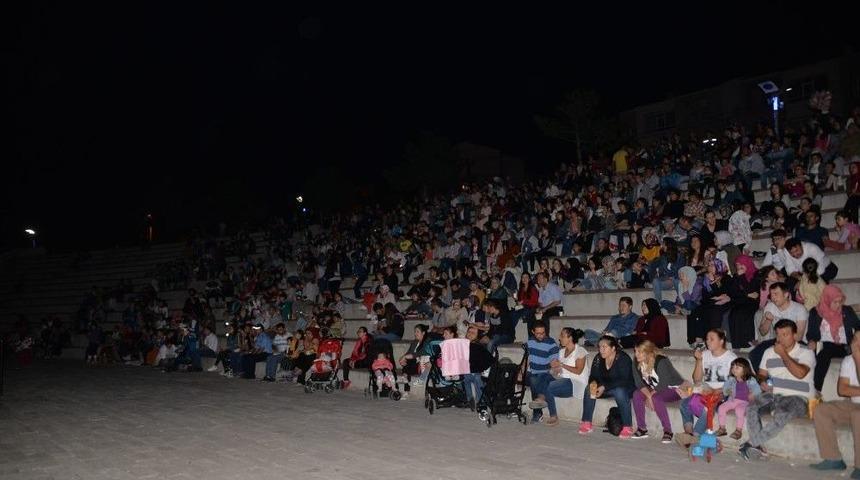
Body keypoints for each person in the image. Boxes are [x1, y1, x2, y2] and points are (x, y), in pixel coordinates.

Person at [739, 319, 816, 460]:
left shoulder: (806, 352)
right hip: (774, 394)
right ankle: (757, 447)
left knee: (782, 412)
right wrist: (763, 382)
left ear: (795, 335)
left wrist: (783, 354)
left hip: (798, 397)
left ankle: (751, 443)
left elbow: (800, 373)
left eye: (785, 334)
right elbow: (761, 374)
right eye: (778, 335)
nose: (780, 339)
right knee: (751, 407)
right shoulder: (769, 352)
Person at [811, 331, 860, 476]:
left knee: (858, 415)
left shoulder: (855, 358)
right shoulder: (848, 360)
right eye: (855, 339)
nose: (856, 343)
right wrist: (856, 357)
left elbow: (848, 389)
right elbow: (842, 390)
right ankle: (833, 459)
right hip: (853, 404)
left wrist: (858, 358)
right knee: (821, 410)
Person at [678, 329, 737, 439]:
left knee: (708, 408)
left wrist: (716, 391)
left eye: (711, 339)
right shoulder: (705, 354)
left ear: (721, 341)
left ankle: (695, 436)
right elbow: (697, 379)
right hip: (706, 390)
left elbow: (734, 384)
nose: (708, 342)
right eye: (707, 339)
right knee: (684, 403)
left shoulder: (731, 358)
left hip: (723, 392)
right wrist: (699, 360)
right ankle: (688, 432)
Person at [578, 335, 636, 439]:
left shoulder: (623, 358)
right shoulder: (598, 358)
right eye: (600, 347)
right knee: (589, 389)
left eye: (604, 347)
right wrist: (594, 385)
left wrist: (604, 387)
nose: (601, 350)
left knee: (619, 391)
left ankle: (627, 426)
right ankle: (587, 422)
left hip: (625, 388)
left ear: (613, 348)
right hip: (607, 388)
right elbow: (593, 376)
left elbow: (624, 380)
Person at [807, 285, 860, 395]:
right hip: (824, 347)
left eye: (840, 301)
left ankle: (815, 389)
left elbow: (858, 327)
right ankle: (816, 390)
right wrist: (812, 341)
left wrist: (856, 339)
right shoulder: (815, 313)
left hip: (846, 347)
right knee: (825, 352)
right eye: (835, 302)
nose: (838, 305)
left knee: (827, 348)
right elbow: (811, 334)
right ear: (827, 300)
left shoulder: (847, 311)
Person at [631, 339, 686, 442]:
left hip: (673, 388)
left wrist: (651, 396)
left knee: (656, 398)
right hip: (654, 388)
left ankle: (668, 431)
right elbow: (639, 383)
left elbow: (664, 384)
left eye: (639, 352)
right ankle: (642, 428)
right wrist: (648, 396)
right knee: (636, 394)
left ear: (648, 352)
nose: (636, 354)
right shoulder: (636, 362)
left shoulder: (661, 361)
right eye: (635, 351)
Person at [749, 282, 809, 373]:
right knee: (754, 354)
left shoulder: (800, 309)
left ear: (786, 295)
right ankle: (765, 379)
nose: (772, 297)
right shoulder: (770, 306)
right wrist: (768, 320)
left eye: (776, 294)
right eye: (771, 294)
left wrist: (781, 347)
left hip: (796, 342)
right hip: (777, 340)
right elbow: (762, 332)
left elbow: (799, 336)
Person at [540, 328, 589, 426]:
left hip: (575, 382)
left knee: (550, 386)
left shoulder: (580, 351)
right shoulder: (562, 351)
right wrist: (554, 367)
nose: (559, 338)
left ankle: (553, 415)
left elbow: (578, 371)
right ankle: (541, 397)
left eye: (562, 336)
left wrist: (561, 365)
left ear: (570, 338)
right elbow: (559, 371)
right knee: (543, 376)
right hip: (562, 379)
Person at [716, 358, 760, 439]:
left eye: (737, 367)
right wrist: (727, 391)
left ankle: (738, 431)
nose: (734, 369)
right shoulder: (731, 379)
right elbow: (725, 389)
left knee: (739, 410)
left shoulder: (751, 380)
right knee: (721, 408)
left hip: (744, 402)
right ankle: (722, 428)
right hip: (732, 400)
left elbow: (758, 390)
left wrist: (752, 394)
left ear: (745, 369)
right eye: (733, 367)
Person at [526, 321, 559, 423]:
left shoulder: (551, 343)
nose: (541, 335)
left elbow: (554, 362)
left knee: (534, 380)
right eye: (538, 333)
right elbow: (528, 358)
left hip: (545, 373)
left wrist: (554, 365)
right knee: (529, 377)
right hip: (533, 372)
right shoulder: (530, 341)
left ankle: (537, 413)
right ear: (533, 332)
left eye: (543, 333)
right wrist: (521, 372)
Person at [727, 255, 760, 349]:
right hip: (740, 301)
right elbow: (732, 293)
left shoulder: (756, 274)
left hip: (752, 303)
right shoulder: (735, 276)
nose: (739, 267)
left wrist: (742, 277)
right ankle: (736, 344)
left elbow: (751, 290)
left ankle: (747, 341)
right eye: (737, 265)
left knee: (743, 313)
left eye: (742, 264)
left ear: (747, 264)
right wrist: (747, 294)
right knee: (733, 314)